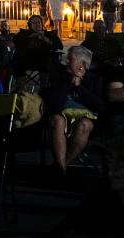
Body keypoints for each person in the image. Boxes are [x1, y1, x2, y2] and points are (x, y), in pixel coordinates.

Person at [43, 46, 103, 174]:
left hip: (85, 120)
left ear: (82, 65)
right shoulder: (60, 78)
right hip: (61, 116)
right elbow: (53, 103)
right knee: (57, 120)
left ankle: (61, 166)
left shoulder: (95, 80)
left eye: (70, 59)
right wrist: (69, 83)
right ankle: (61, 169)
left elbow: (99, 106)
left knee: (84, 125)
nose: (66, 62)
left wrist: (79, 87)